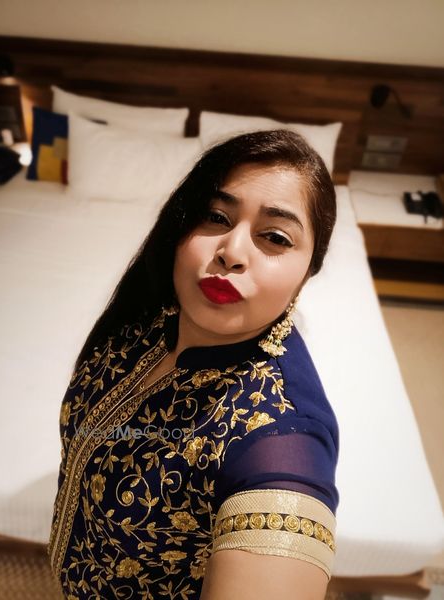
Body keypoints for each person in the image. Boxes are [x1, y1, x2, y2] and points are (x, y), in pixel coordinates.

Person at [48, 129, 339, 600]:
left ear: (308, 271)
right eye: (215, 217)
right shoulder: (151, 316)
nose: (232, 252)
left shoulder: (282, 439)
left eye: (274, 237)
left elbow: (282, 510)